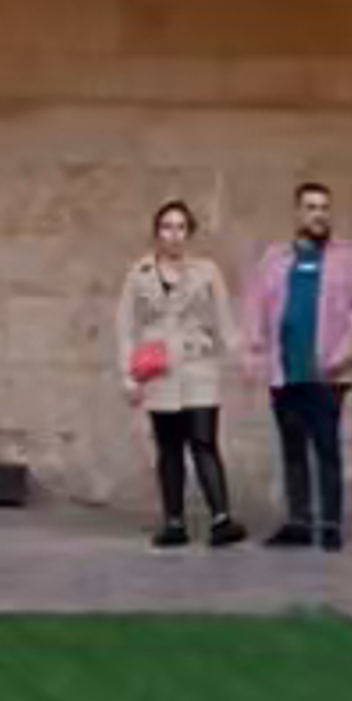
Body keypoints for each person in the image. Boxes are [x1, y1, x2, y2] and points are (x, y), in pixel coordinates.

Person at [115, 197, 247, 549]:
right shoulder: (140, 273)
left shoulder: (207, 271)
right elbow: (125, 326)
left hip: (198, 364)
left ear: (189, 233)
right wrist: (127, 373)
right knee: (169, 445)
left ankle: (221, 518)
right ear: (157, 232)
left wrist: (243, 354)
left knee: (203, 440)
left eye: (180, 228)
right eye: (167, 227)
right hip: (159, 368)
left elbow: (225, 319)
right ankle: (174, 521)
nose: (173, 234)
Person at [261, 175, 352, 551]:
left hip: (328, 372)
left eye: (324, 208)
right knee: (292, 448)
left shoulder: (349, 258)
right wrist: (255, 353)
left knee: (326, 448)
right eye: (311, 208)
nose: (319, 215)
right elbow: (256, 306)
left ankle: (330, 523)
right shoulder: (275, 258)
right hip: (286, 370)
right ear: (298, 213)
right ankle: (298, 521)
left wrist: (344, 351)